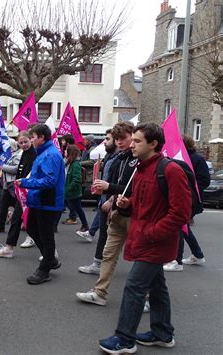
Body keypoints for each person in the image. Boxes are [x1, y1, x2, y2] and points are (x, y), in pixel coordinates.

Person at [99, 123, 191, 354]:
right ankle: (162, 333)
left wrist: (152, 233)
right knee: (157, 288)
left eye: (137, 141)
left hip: (155, 242)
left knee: (134, 287)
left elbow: (181, 213)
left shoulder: (170, 170)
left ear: (153, 144)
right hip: (142, 237)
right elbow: (142, 204)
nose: (132, 144)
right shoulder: (141, 168)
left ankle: (125, 339)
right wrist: (127, 204)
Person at [76, 121, 136, 305]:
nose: (119, 142)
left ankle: (149, 297)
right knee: (108, 254)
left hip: (136, 216)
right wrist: (109, 197)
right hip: (118, 213)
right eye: (116, 139)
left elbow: (134, 189)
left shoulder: (138, 160)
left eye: (123, 138)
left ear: (133, 137)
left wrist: (109, 188)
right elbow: (119, 186)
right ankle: (100, 293)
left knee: (143, 261)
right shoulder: (119, 158)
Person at [17, 124, 65, 284]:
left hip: (47, 201)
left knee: (46, 236)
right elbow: (39, 176)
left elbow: (50, 180)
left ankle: (44, 269)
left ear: (42, 138)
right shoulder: (44, 153)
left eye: (33, 137)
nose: (31, 140)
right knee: (31, 228)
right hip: (40, 200)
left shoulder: (50, 155)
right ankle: (50, 259)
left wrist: (26, 183)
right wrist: (26, 181)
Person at [163, 134, 210, 271]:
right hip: (182, 197)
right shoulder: (176, 157)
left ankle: (177, 261)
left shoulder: (197, 158)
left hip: (191, 199)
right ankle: (198, 255)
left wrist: (188, 188)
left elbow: (204, 180)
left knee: (179, 227)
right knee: (183, 228)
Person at [0, 130, 37, 258]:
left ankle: (49, 253)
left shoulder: (34, 154)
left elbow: (30, 172)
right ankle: (9, 248)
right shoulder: (23, 153)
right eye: (21, 143)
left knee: (36, 223)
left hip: (31, 192)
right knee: (16, 219)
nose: (23, 144)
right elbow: (21, 171)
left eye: (26, 142)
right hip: (22, 192)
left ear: (31, 140)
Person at [76, 129, 118, 243]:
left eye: (108, 139)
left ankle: (90, 232)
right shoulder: (109, 155)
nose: (104, 142)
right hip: (105, 193)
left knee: (111, 233)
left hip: (111, 196)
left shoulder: (119, 158)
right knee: (101, 215)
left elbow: (118, 180)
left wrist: (111, 197)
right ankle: (91, 233)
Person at [0, 139, 21, 233]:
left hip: (13, 184)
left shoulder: (17, 155)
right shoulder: (6, 155)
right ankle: (0, 226)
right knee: (3, 206)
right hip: (6, 184)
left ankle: (25, 222)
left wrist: (2, 166)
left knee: (18, 205)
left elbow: (16, 169)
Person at [64, 144, 89, 232]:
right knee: (77, 208)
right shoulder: (70, 163)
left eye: (66, 150)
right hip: (71, 193)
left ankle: (85, 225)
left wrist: (68, 189)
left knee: (78, 208)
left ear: (70, 153)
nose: (64, 152)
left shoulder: (75, 164)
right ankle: (84, 224)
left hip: (73, 193)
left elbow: (77, 179)